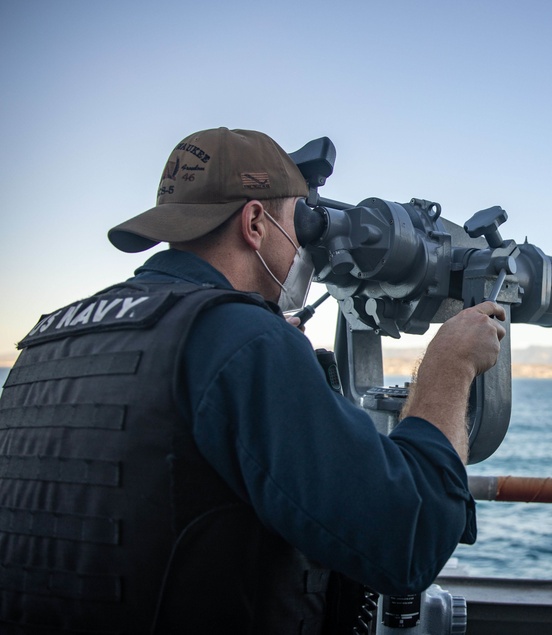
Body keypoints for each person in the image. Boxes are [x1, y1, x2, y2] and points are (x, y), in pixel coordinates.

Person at [0, 128, 506, 633]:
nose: (302, 246)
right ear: (255, 221)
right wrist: (449, 367)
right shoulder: (238, 339)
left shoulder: (46, 339)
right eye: (296, 222)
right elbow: (409, 541)